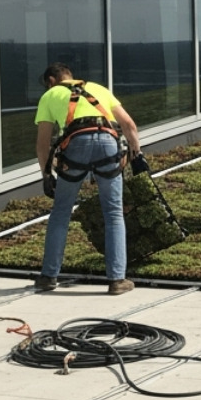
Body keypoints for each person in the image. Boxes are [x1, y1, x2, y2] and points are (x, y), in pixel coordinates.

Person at [33, 63, 144, 294]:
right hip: (108, 143)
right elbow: (129, 125)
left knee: (61, 212)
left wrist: (46, 174)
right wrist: (137, 154)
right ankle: (117, 280)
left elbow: (43, 143)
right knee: (113, 213)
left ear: (51, 81)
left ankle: (48, 276)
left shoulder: (50, 95)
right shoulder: (98, 88)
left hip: (76, 145)